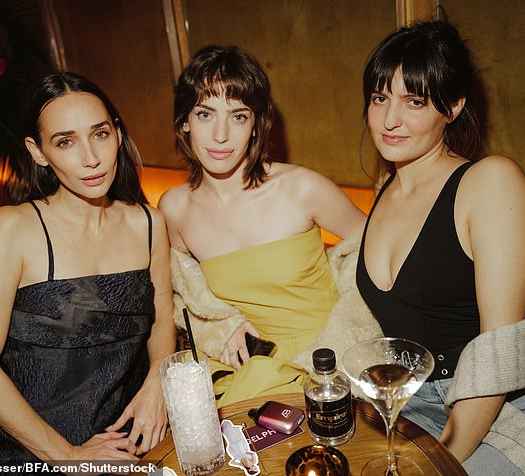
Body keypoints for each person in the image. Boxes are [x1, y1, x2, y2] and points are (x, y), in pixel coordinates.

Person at [355, 20, 525, 474]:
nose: (389, 120)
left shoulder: (489, 182)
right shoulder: (383, 189)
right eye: (380, 98)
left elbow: (500, 354)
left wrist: (441, 459)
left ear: (453, 107)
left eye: (414, 102)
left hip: (512, 404)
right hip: (418, 401)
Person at [0, 72, 175, 469]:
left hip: (116, 442)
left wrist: (159, 379)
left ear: (118, 135)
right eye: (65, 141)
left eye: (100, 134)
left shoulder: (149, 223)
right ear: (38, 153)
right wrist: (69, 457)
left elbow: (162, 319)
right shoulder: (14, 228)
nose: (90, 158)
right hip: (19, 449)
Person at [159, 45, 375, 408]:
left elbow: (381, 256)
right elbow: (183, 298)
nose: (221, 135)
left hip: (330, 363)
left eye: (238, 116)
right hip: (246, 370)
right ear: (184, 121)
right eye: (205, 114)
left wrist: (348, 339)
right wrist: (222, 328)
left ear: (257, 124)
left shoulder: (302, 188)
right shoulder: (174, 209)